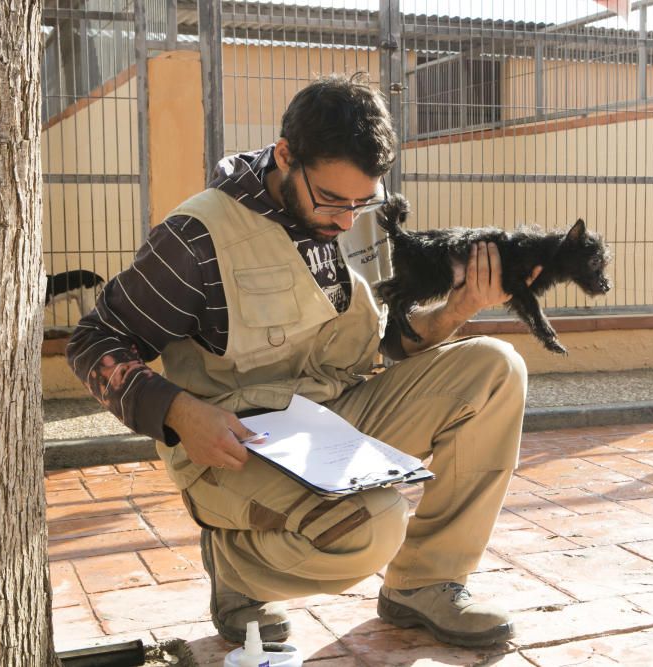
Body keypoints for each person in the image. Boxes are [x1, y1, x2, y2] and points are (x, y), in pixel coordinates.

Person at [66, 72, 538, 649]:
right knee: (373, 527)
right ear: (286, 155)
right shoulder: (195, 238)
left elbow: (376, 347)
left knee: (494, 367)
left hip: (328, 421)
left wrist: (458, 309)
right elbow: (94, 341)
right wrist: (180, 413)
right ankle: (235, 568)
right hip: (235, 448)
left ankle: (425, 583)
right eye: (334, 200)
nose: (346, 219)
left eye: (363, 202)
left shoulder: (329, 219)